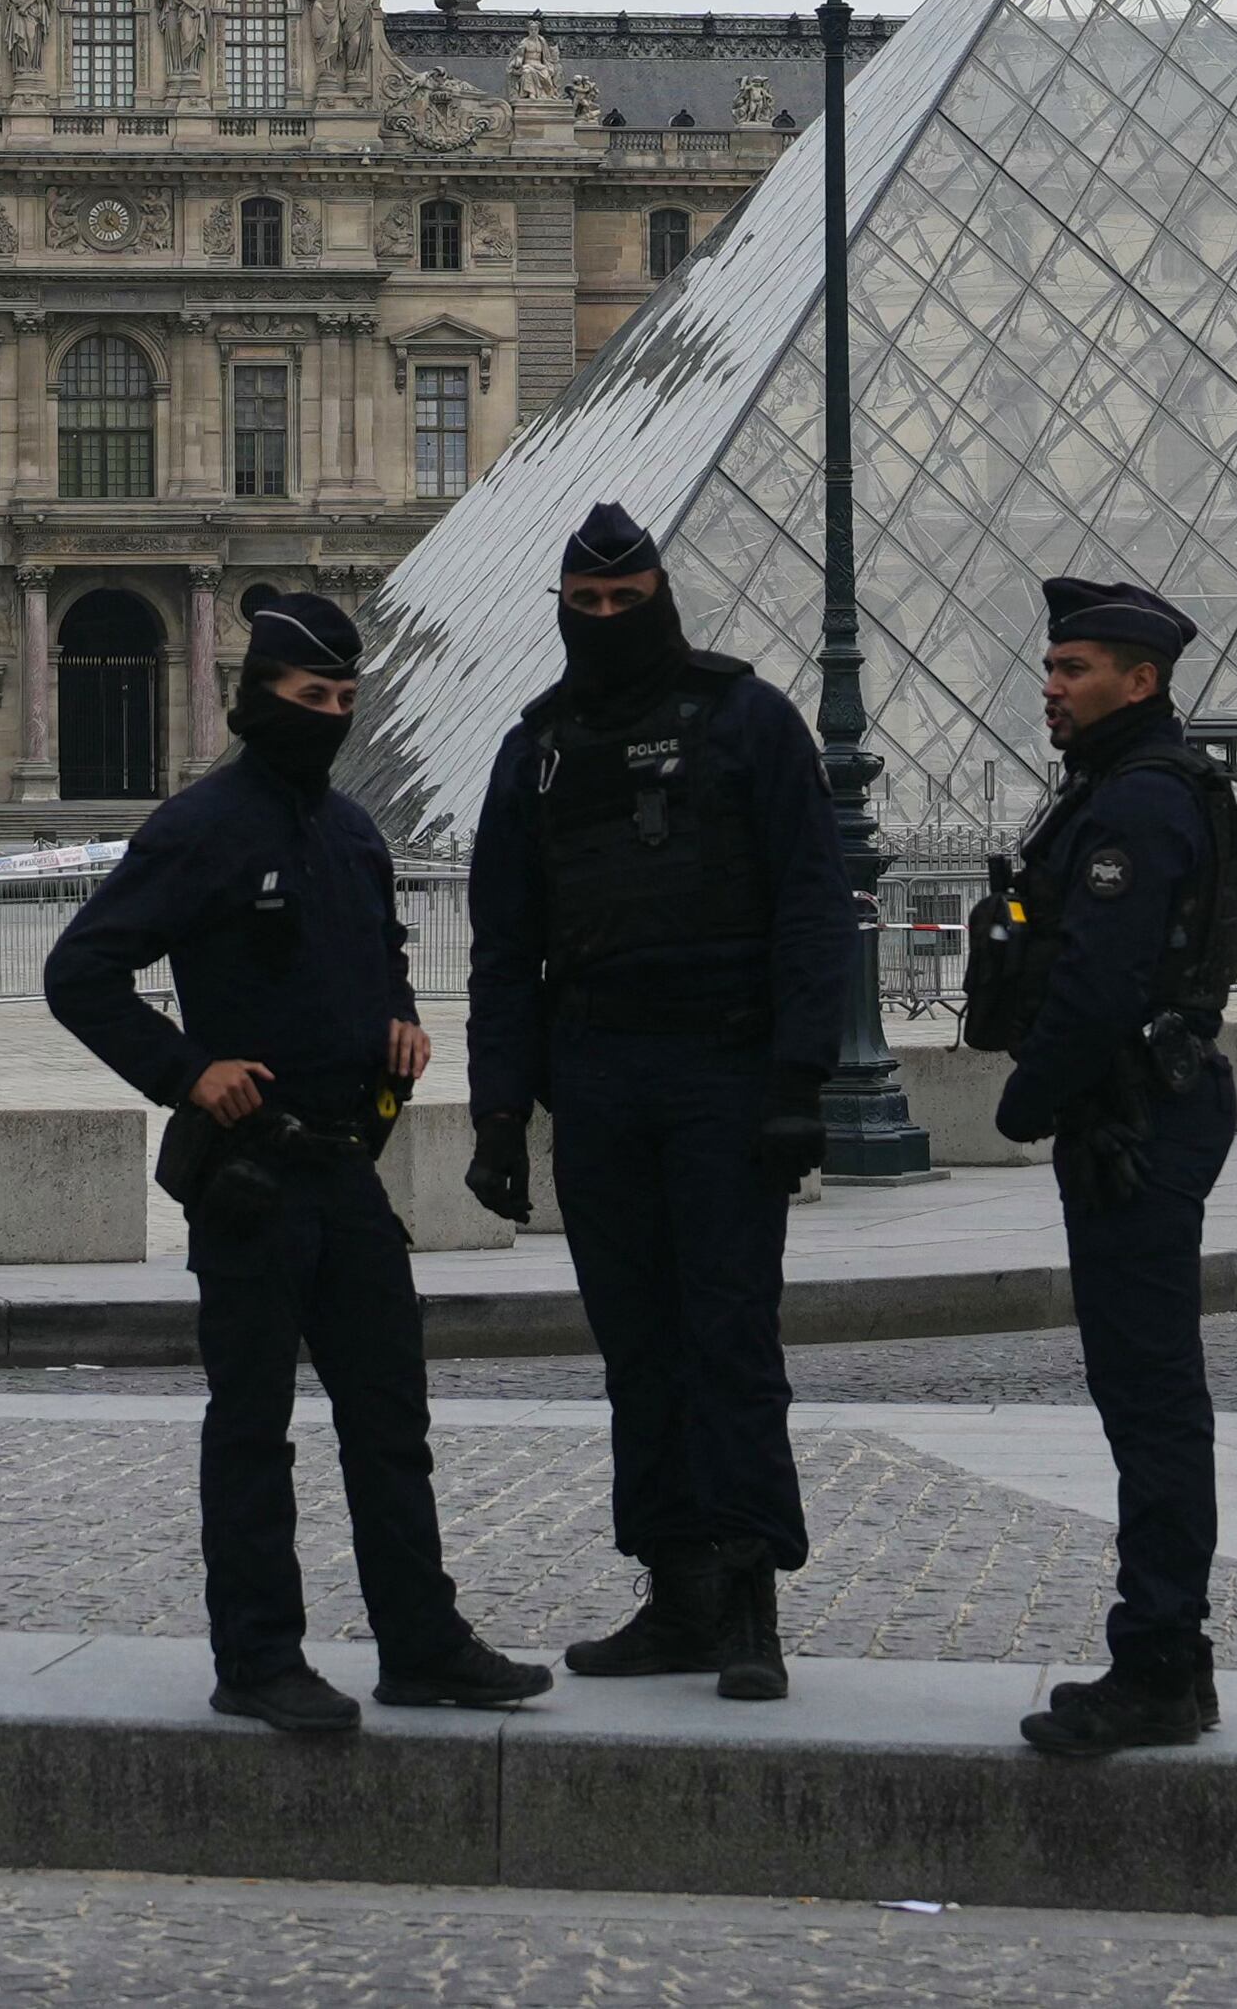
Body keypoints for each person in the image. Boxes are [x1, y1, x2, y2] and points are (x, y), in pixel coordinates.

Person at [45, 588, 552, 1737]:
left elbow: (378, 948)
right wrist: (184, 1072)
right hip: (252, 1178)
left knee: (390, 1419)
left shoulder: (352, 827)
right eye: (308, 696)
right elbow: (79, 971)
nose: (327, 713)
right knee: (252, 1426)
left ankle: (420, 1642)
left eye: (342, 698)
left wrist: (401, 1015)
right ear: (255, 699)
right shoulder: (200, 825)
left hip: (345, 1168)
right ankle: (258, 1656)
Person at [459, 501, 850, 1699]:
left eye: (628, 605)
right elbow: (501, 945)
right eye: (588, 608)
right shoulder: (533, 749)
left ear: (664, 598)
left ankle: (748, 1605)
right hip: (599, 1077)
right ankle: (673, 1593)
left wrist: (797, 1086)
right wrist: (495, 1116)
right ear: (563, 612)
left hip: (724, 1076)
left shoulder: (749, 720)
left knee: (726, 1336)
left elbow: (809, 909)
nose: (609, 622)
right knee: (637, 1348)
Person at [967, 574, 1237, 1758]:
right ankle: (1171, 1658)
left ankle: (1157, 1662)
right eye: (1049, 668)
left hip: (1130, 1117)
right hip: (1139, 1108)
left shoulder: (1133, 805)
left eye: (1072, 671)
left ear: (1140, 680)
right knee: (1144, 1395)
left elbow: (1097, 984)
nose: (1050, 688)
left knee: (1148, 1401)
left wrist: (1022, 1104)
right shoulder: (1122, 789)